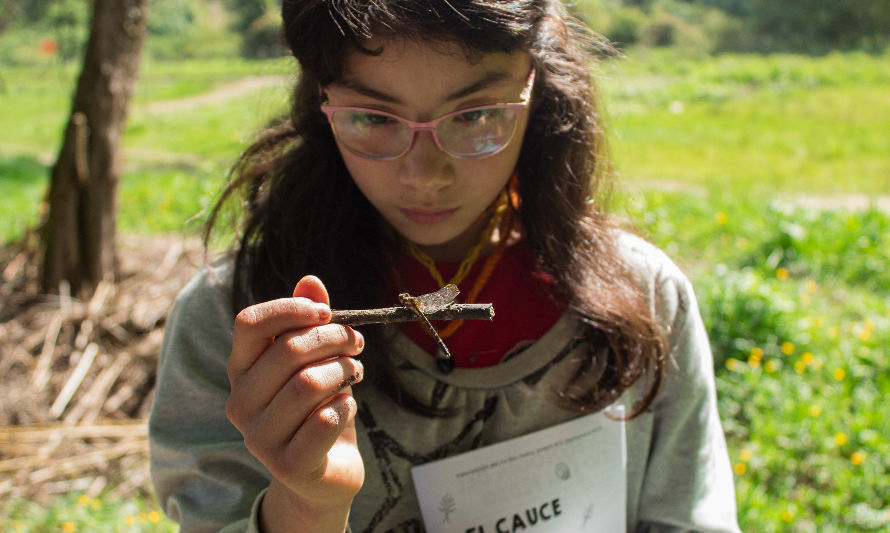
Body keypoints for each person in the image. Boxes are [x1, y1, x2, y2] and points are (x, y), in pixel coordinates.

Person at [149, 1, 741, 532]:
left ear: (536, 85)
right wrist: (306, 507)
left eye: (478, 115)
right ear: (322, 101)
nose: (425, 175)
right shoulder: (236, 324)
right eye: (375, 119)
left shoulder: (645, 296)